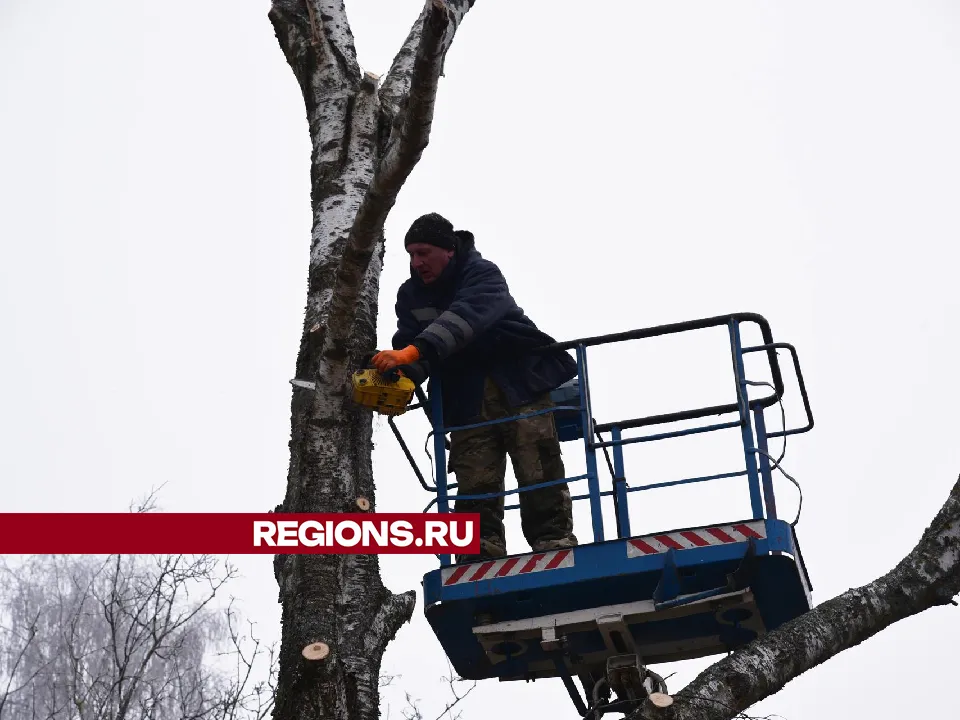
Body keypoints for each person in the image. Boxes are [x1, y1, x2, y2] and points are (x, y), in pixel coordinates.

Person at [372, 213, 579, 561]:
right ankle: (478, 553)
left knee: (538, 466)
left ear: (448, 250)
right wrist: (397, 376)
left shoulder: (482, 275)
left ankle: (553, 543)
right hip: (465, 398)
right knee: (474, 479)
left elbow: (465, 318)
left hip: (519, 383)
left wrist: (412, 352)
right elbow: (413, 349)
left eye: (423, 253)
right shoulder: (411, 296)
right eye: (411, 254)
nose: (416, 262)